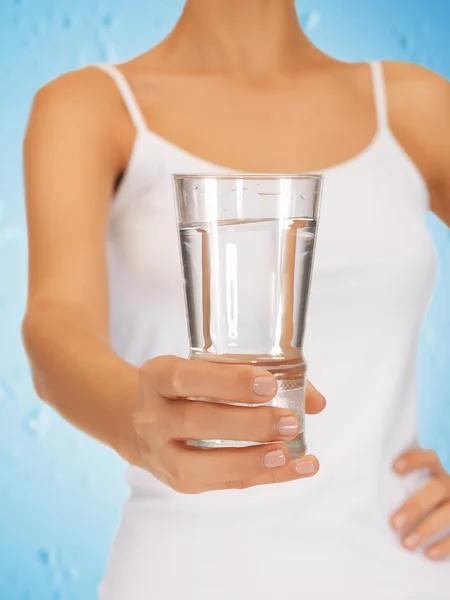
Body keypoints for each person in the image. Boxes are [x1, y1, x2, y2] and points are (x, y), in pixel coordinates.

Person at [22, 0, 450, 598]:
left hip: (406, 571)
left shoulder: (416, 105)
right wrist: (139, 418)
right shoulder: (92, 107)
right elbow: (55, 326)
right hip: (182, 574)